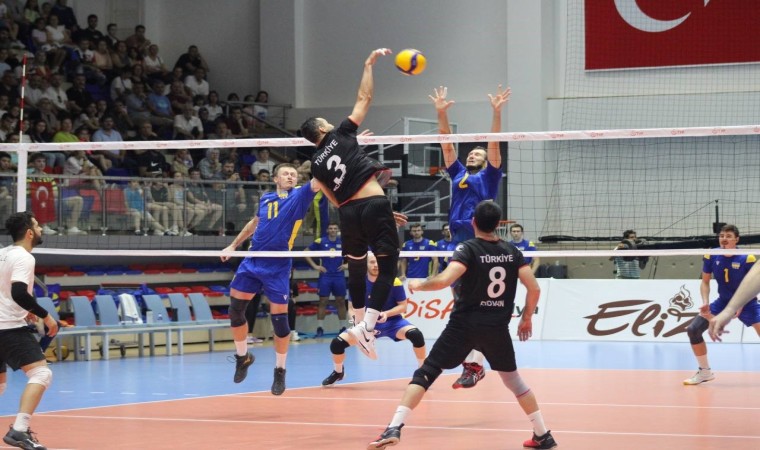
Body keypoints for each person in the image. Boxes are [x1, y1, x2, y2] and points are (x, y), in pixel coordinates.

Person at [367, 201, 557, 450]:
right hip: (496, 327)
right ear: (498, 225)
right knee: (514, 381)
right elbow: (534, 288)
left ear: (473, 222)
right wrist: (527, 318)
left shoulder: (468, 248)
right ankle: (542, 434)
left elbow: (444, 280)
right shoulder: (512, 251)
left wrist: (418, 285)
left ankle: (394, 427)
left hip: (463, 326)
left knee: (426, 373)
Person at [299, 48, 407, 361]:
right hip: (372, 203)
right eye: (326, 122)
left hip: (348, 212)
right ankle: (368, 328)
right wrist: (368, 65)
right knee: (388, 266)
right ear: (322, 129)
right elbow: (365, 97)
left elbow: (332, 198)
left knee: (357, 268)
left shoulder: (315, 165)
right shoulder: (341, 133)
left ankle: (358, 325)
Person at [430, 84, 510, 389]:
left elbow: (494, 144)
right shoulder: (458, 174)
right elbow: (446, 143)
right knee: (462, 306)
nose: (473, 154)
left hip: (479, 244)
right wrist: (441, 113)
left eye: (478, 153)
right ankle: (473, 363)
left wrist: (496, 113)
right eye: (471, 152)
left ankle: (474, 364)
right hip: (456, 244)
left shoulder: (490, 176)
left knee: (474, 307)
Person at [220, 163, 318, 395]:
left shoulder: (300, 196)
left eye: (294, 174)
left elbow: (319, 181)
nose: (290, 176)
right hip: (253, 260)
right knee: (235, 310)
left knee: (280, 321)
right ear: (275, 179)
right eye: (286, 173)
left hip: (278, 265)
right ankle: (243, 357)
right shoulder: (266, 198)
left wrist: (334, 149)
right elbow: (255, 223)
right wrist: (233, 245)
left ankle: (280, 370)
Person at [323, 252, 426, 386]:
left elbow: (403, 306)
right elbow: (351, 308)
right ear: (365, 264)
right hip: (366, 324)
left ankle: (423, 371)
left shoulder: (394, 281)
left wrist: (386, 314)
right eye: (372, 262)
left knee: (416, 335)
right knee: (337, 344)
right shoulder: (359, 283)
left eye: (378, 262)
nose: (376, 265)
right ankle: (338, 372)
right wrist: (358, 323)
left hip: (393, 323)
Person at [0, 211, 58, 450]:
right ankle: (19, 430)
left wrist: (25, 310)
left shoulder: (2, 253)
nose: (41, 229)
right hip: (7, 327)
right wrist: (46, 316)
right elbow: (18, 293)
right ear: (29, 233)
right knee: (41, 374)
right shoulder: (24, 257)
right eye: (37, 225)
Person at [684, 224, 760, 385]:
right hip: (722, 302)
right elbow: (705, 282)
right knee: (693, 330)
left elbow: (754, 285)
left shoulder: (747, 258)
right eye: (722, 236)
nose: (724, 239)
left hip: (748, 302)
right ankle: (705, 372)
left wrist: (739, 304)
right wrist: (705, 302)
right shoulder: (711, 255)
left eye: (728, 236)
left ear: (737, 239)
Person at [304, 222, 348, 336]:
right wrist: (315, 266)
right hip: (325, 276)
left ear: (338, 230)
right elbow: (305, 252)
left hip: (338, 275)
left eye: (335, 228)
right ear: (327, 230)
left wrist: (347, 265)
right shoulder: (320, 241)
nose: (333, 230)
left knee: (341, 301)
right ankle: (320, 328)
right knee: (323, 301)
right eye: (330, 228)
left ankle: (343, 327)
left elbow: (355, 254)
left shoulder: (343, 242)